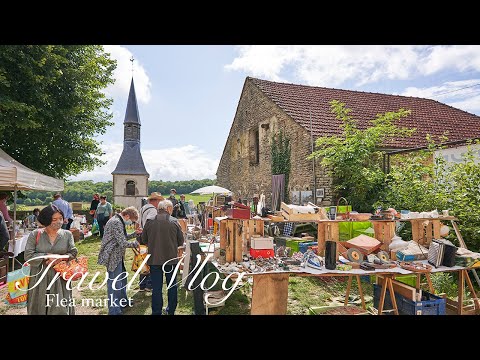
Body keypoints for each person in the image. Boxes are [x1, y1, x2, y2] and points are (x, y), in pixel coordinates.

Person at [24, 205, 78, 315]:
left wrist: (59, 259)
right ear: (46, 219)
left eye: (61, 219)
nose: (58, 222)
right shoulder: (35, 234)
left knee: (60, 308)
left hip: (60, 277)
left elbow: (73, 252)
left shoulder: (67, 234)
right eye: (54, 219)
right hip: (39, 278)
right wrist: (47, 256)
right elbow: (28, 256)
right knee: (39, 307)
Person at [141, 199, 184, 315]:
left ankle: (156, 311)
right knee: (172, 286)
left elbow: (144, 240)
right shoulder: (174, 221)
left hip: (155, 259)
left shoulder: (149, 222)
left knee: (156, 288)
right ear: (168, 209)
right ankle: (171, 310)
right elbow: (181, 241)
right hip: (170, 259)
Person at [97, 206, 141, 315]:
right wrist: (136, 244)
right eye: (131, 221)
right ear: (127, 216)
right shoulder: (116, 222)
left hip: (117, 255)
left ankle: (123, 302)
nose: (130, 223)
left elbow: (122, 237)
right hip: (113, 255)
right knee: (114, 283)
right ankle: (114, 310)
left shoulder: (117, 220)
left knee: (122, 279)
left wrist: (135, 233)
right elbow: (122, 242)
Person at [138, 192, 164, 292]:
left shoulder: (143, 208)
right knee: (152, 261)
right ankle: (149, 284)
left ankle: (142, 284)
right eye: (159, 201)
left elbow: (139, 222)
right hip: (149, 238)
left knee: (143, 260)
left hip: (141, 236)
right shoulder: (153, 210)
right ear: (156, 201)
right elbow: (150, 224)